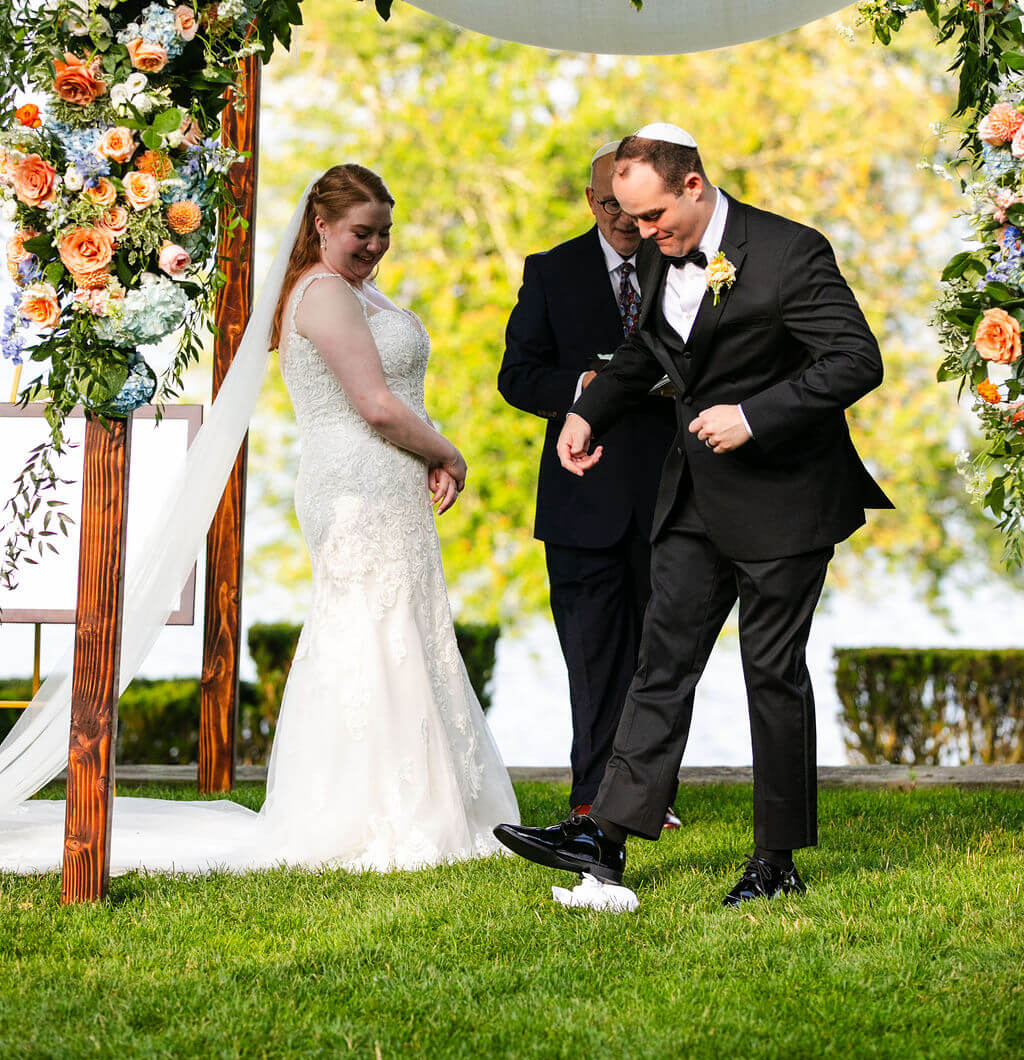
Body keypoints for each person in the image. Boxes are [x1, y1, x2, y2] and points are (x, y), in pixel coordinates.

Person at [0, 165, 518, 874]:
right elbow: (373, 403)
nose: (375, 246)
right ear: (321, 226)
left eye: (384, 234)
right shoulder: (326, 294)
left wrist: (422, 454)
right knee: (369, 628)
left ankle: (425, 797)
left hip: (388, 478)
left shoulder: (356, 289)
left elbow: (394, 396)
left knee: (402, 625)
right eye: (362, 233)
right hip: (356, 486)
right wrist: (449, 452)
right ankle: (366, 809)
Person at [495, 123, 892, 906]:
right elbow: (647, 350)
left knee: (770, 673)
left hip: (786, 498)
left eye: (651, 219)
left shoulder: (789, 251)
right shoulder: (657, 250)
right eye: (630, 220)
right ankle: (602, 838)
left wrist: (756, 415)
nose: (638, 235)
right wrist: (588, 415)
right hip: (694, 498)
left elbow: (856, 359)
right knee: (661, 661)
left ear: (693, 186)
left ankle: (776, 860)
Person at [498, 142, 679, 824]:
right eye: (611, 206)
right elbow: (517, 376)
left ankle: (650, 795)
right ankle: (591, 797)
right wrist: (582, 386)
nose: (625, 221)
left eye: (635, 208)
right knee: (592, 656)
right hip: (583, 497)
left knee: (659, 656)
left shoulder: (687, 264)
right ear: (591, 200)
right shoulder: (552, 272)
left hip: (671, 490)